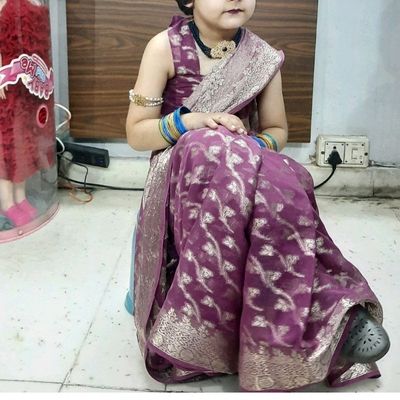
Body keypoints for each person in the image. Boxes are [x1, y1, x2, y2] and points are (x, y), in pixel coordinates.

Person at [125, 0, 390, 392]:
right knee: (204, 145)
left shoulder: (262, 58)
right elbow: (136, 133)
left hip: (246, 167)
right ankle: (323, 317)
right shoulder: (163, 47)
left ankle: (330, 313)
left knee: (291, 178)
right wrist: (191, 123)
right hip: (183, 170)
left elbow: (277, 131)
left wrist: (246, 149)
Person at [0, 0, 55, 228]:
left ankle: (20, 198)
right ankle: (7, 202)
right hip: (8, 81)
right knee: (6, 146)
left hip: (30, 85)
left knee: (24, 145)